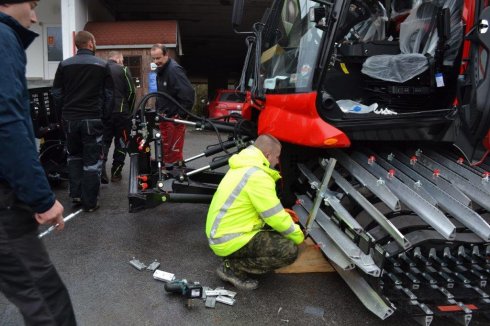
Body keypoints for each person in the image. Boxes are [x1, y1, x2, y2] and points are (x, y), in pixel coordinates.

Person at [0, 1, 76, 324]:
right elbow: (7, 121)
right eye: (31, 5)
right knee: (47, 301)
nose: (34, 16)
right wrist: (41, 198)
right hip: (4, 208)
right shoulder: (3, 38)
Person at [206, 134, 304, 290]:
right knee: (288, 250)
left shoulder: (244, 166)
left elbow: (254, 207)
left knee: (277, 231)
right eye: (277, 157)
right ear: (267, 155)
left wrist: (280, 213)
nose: (278, 162)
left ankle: (233, 258)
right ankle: (232, 268)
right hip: (229, 239)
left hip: (221, 234)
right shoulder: (258, 177)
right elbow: (276, 218)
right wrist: (299, 236)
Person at [52, 30, 112, 212]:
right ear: (90, 43)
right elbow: (109, 95)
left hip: (70, 119)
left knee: (74, 157)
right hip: (92, 119)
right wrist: (105, 116)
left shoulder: (64, 65)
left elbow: (57, 94)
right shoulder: (102, 65)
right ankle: (90, 202)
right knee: (92, 161)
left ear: (77, 45)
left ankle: (76, 195)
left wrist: (61, 114)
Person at [150, 44, 194, 164]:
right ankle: (164, 171)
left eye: (158, 58)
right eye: (153, 59)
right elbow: (162, 95)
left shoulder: (173, 70)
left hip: (174, 120)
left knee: (173, 152)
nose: (156, 61)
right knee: (165, 149)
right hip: (165, 118)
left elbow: (188, 93)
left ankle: (175, 176)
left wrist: (181, 115)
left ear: (166, 55)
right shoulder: (161, 71)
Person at [101, 50, 135, 183]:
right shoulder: (124, 70)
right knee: (121, 142)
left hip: (105, 114)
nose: (123, 62)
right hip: (122, 114)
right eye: (122, 60)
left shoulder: (101, 70)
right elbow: (131, 92)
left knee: (104, 142)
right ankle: (116, 173)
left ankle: (100, 169)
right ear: (118, 58)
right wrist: (130, 110)